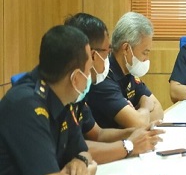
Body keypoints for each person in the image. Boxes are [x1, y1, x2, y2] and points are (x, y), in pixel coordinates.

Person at [0, 26, 97, 175]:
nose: (90, 77)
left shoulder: (62, 99)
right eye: (88, 71)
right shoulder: (26, 104)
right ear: (75, 78)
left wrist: (80, 162)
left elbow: (83, 152)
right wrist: (87, 174)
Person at [64, 13, 164, 163]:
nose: (108, 59)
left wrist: (137, 133)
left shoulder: (78, 93)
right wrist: (129, 145)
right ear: (92, 55)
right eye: (107, 52)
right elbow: (73, 150)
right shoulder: (55, 95)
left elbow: (98, 134)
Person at [85, 12, 164, 129]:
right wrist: (145, 107)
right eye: (145, 52)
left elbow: (159, 112)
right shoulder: (102, 76)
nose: (147, 59)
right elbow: (139, 124)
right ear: (126, 48)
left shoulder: (129, 72)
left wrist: (139, 115)